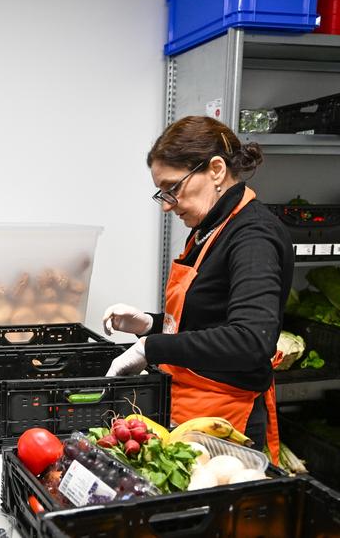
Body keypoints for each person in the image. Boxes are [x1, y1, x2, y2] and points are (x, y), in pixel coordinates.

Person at [102, 115, 292, 462]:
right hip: (188, 410)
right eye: (162, 192)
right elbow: (209, 320)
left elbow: (250, 341)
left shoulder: (253, 237)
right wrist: (150, 324)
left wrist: (151, 347)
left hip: (227, 422)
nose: (166, 205)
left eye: (173, 188)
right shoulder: (209, 228)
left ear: (216, 170)